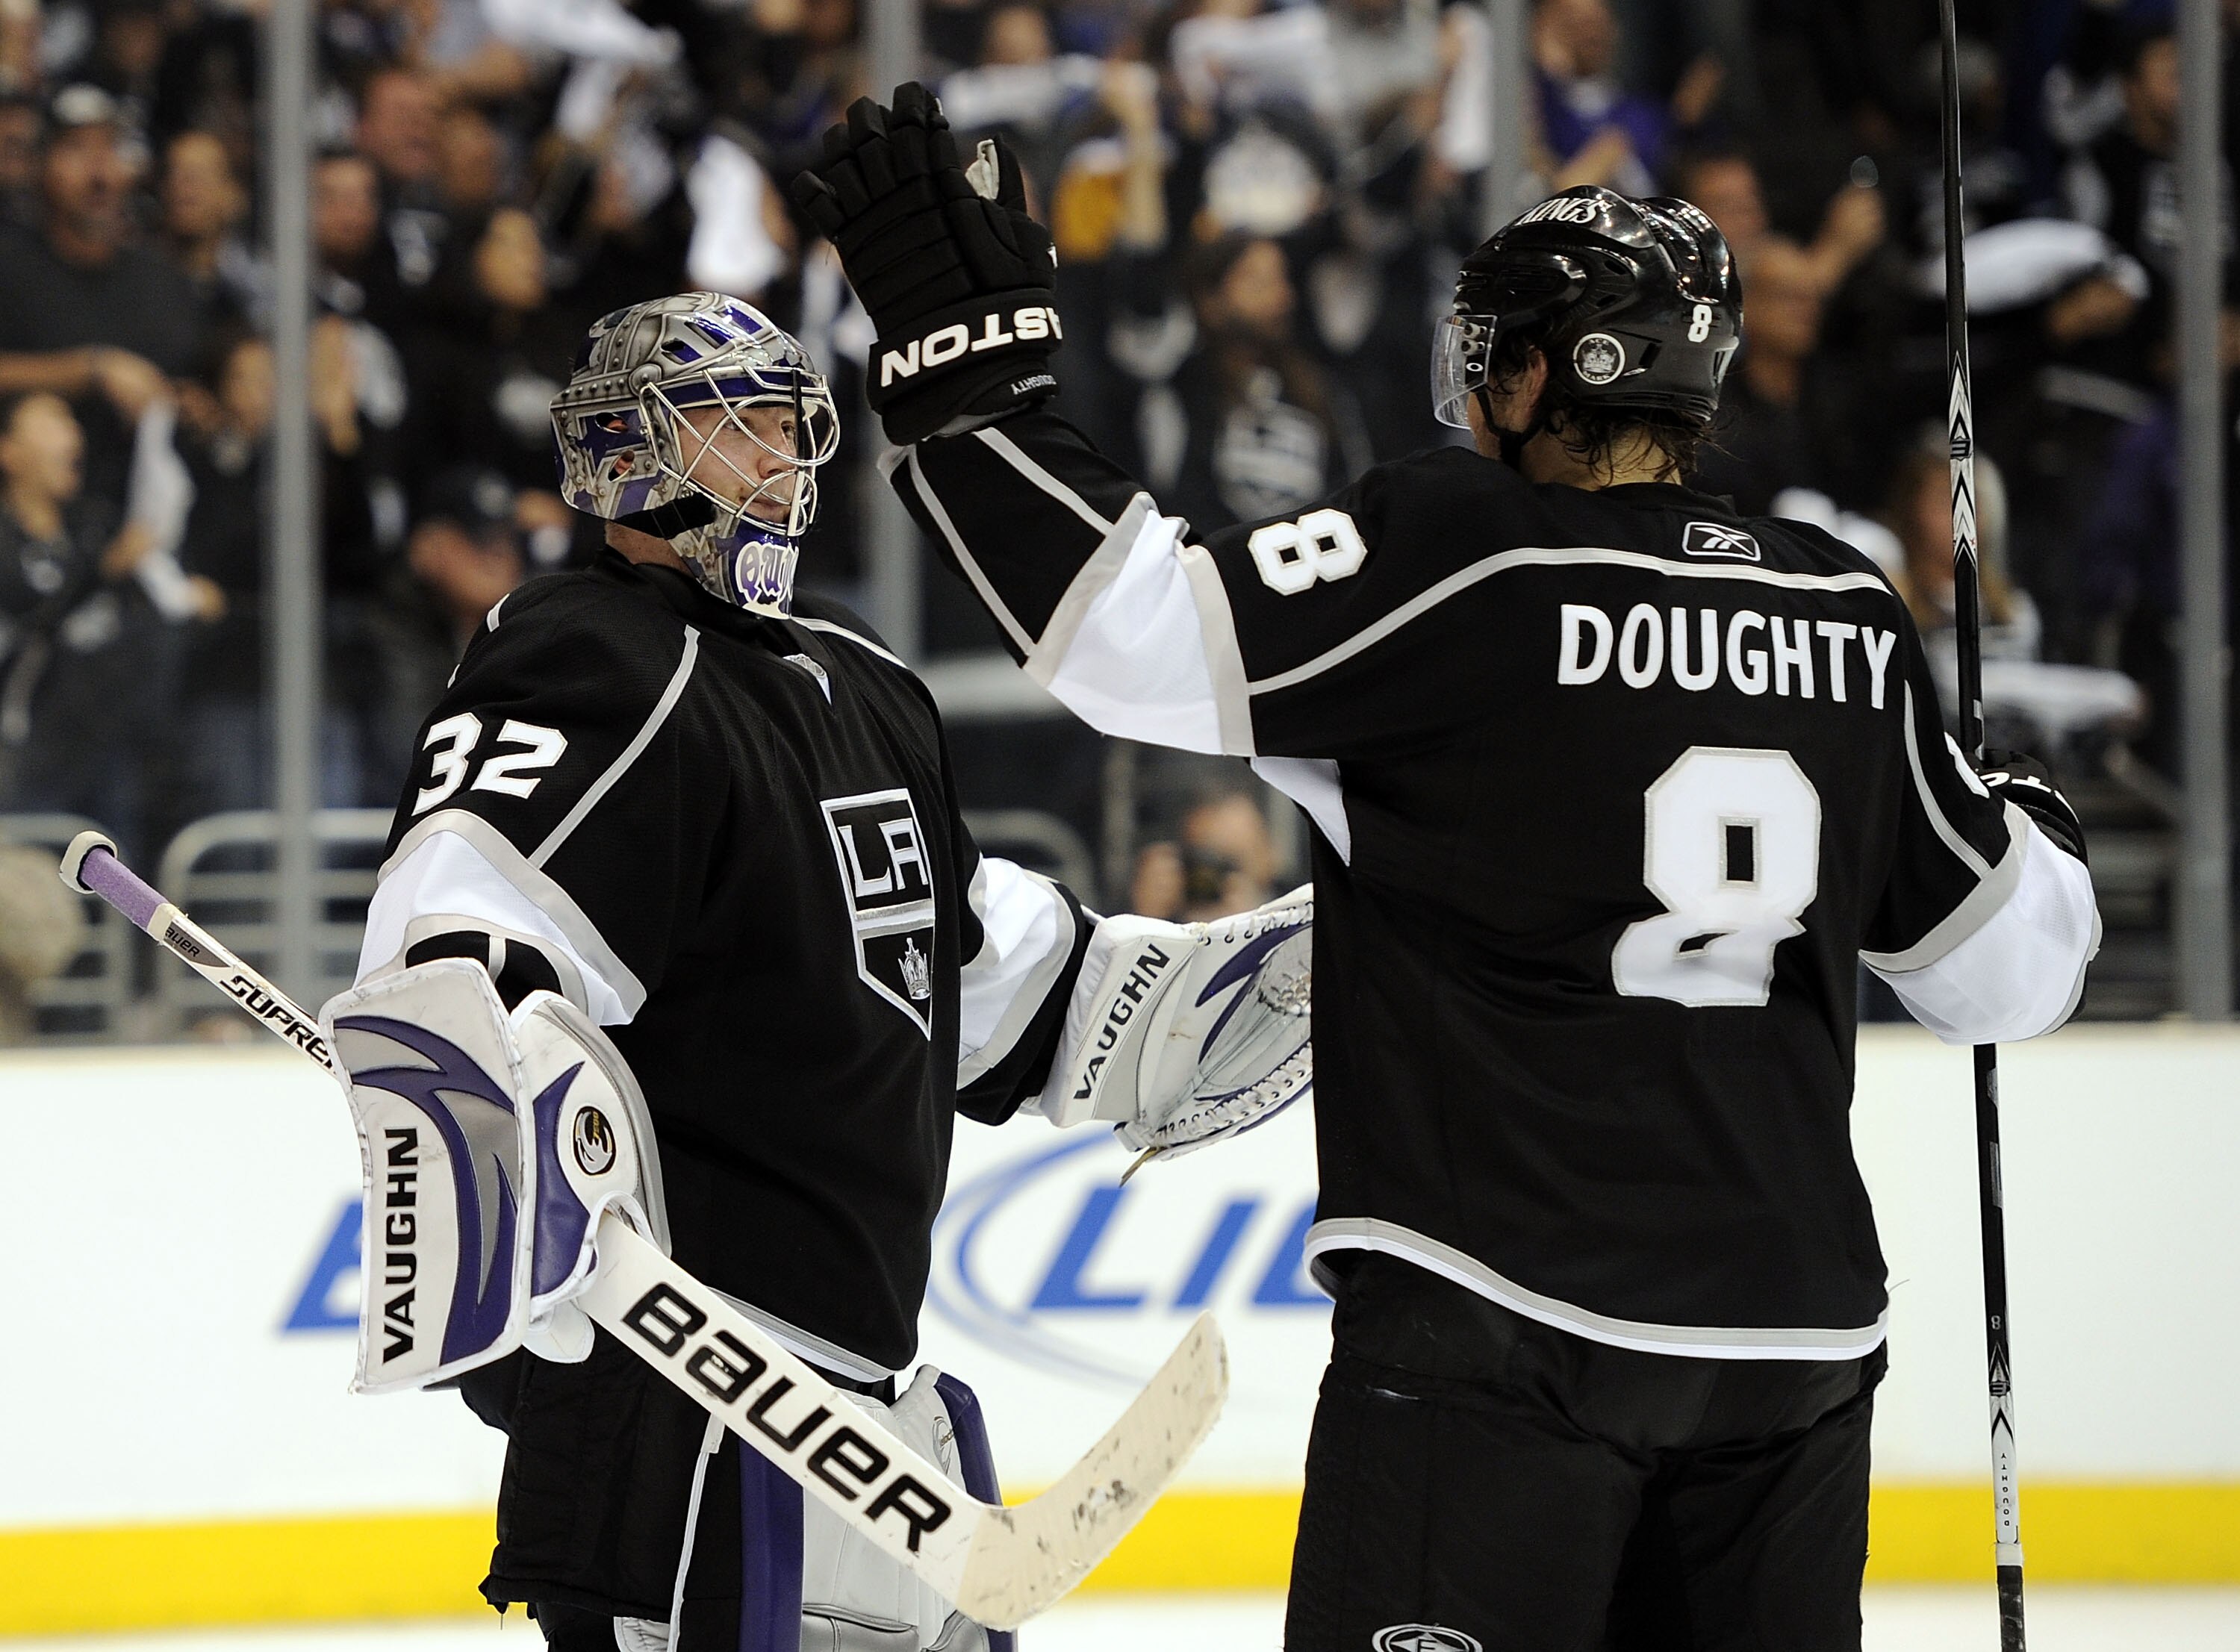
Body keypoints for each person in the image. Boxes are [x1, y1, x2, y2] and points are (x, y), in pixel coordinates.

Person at [796, 93, 2100, 1648]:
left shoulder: (1469, 552)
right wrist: (2038, 820)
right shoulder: (1841, 609)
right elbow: (2007, 974)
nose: (1472, 382)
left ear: (1549, 372)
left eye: (1495, 347)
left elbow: (1126, 629)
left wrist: (973, 382)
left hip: (1501, 1344)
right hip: (1789, 1357)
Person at [339, 291, 1313, 1650]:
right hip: (678, 1416)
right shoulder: (590, 654)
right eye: (731, 427)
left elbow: (993, 993)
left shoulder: (858, 679)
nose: (780, 460)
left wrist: (1289, 974)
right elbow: (452, 956)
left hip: (874, 1420)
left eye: (786, 424)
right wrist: (516, 1210)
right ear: (629, 457)